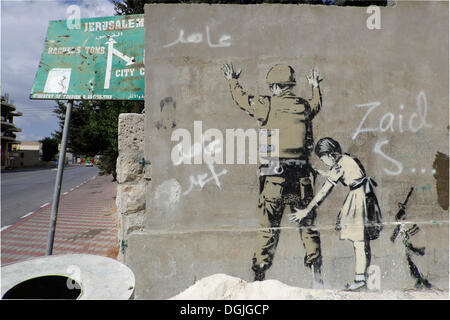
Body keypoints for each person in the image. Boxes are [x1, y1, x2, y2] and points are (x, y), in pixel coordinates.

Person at [222, 63, 324, 285]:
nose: (271, 89)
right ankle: (317, 274)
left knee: (268, 227)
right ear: (291, 85)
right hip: (301, 175)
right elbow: (316, 104)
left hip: (274, 172)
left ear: (277, 86)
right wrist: (315, 86)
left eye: (272, 86)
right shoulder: (303, 106)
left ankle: (259, 275)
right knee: (307, 226)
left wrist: (232, 80)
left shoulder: (265, 104)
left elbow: (242, 100)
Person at [289, 137, 382, 291]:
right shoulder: (346, 159)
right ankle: (361, 279)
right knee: (362, 242)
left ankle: (360, 281)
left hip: (359, 199)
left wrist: (307, 210)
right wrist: (324, 172)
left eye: (323, 158)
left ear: (330, 155)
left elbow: (325, 191)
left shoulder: (339, 167)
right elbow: (344, 173)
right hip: (365, 195)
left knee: (359, 242)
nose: (323, 161)